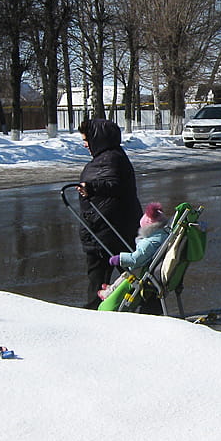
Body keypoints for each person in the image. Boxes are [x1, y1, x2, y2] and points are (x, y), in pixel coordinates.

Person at [76, 117, 141, 308]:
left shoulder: (110, 159)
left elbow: (113, 184)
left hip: (109, 230)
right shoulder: (110, 157)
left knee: (105, 276)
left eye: (86, 139)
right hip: (108, 228)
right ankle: (141, 306)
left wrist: (91, 187)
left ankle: (95, 313)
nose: (85, 144)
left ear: (98, 138)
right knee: (127, 273)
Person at [97, 202, 172, 314]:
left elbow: (135, 259)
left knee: (125, 276)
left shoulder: (148, 242)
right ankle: (111, 288)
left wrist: (119, 258)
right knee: (125, 276)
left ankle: (109, 292)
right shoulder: (164, 235)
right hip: (150, 269)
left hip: (141, 272)